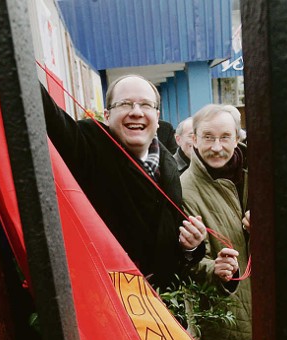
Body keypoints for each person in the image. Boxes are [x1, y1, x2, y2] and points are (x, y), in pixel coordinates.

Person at [41, 74, 207, 290]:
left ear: (157, 118)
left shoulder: (168, 164)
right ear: (107, 116)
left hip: (162, 307)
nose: (136, 112)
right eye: (125, 104)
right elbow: (47, 115)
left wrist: (191, 246)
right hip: (107, 300)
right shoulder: (88, 144)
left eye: (145, 105)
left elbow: (168, 240)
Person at [180, 104, 252, 340]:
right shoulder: (184, 189)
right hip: (221, 306)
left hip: (261, 299)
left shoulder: (254, 175)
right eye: (208, 137)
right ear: (193, 140)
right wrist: (214, 268)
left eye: (225, 137)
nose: (217, 147)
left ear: (237, 138)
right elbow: (186, 259)